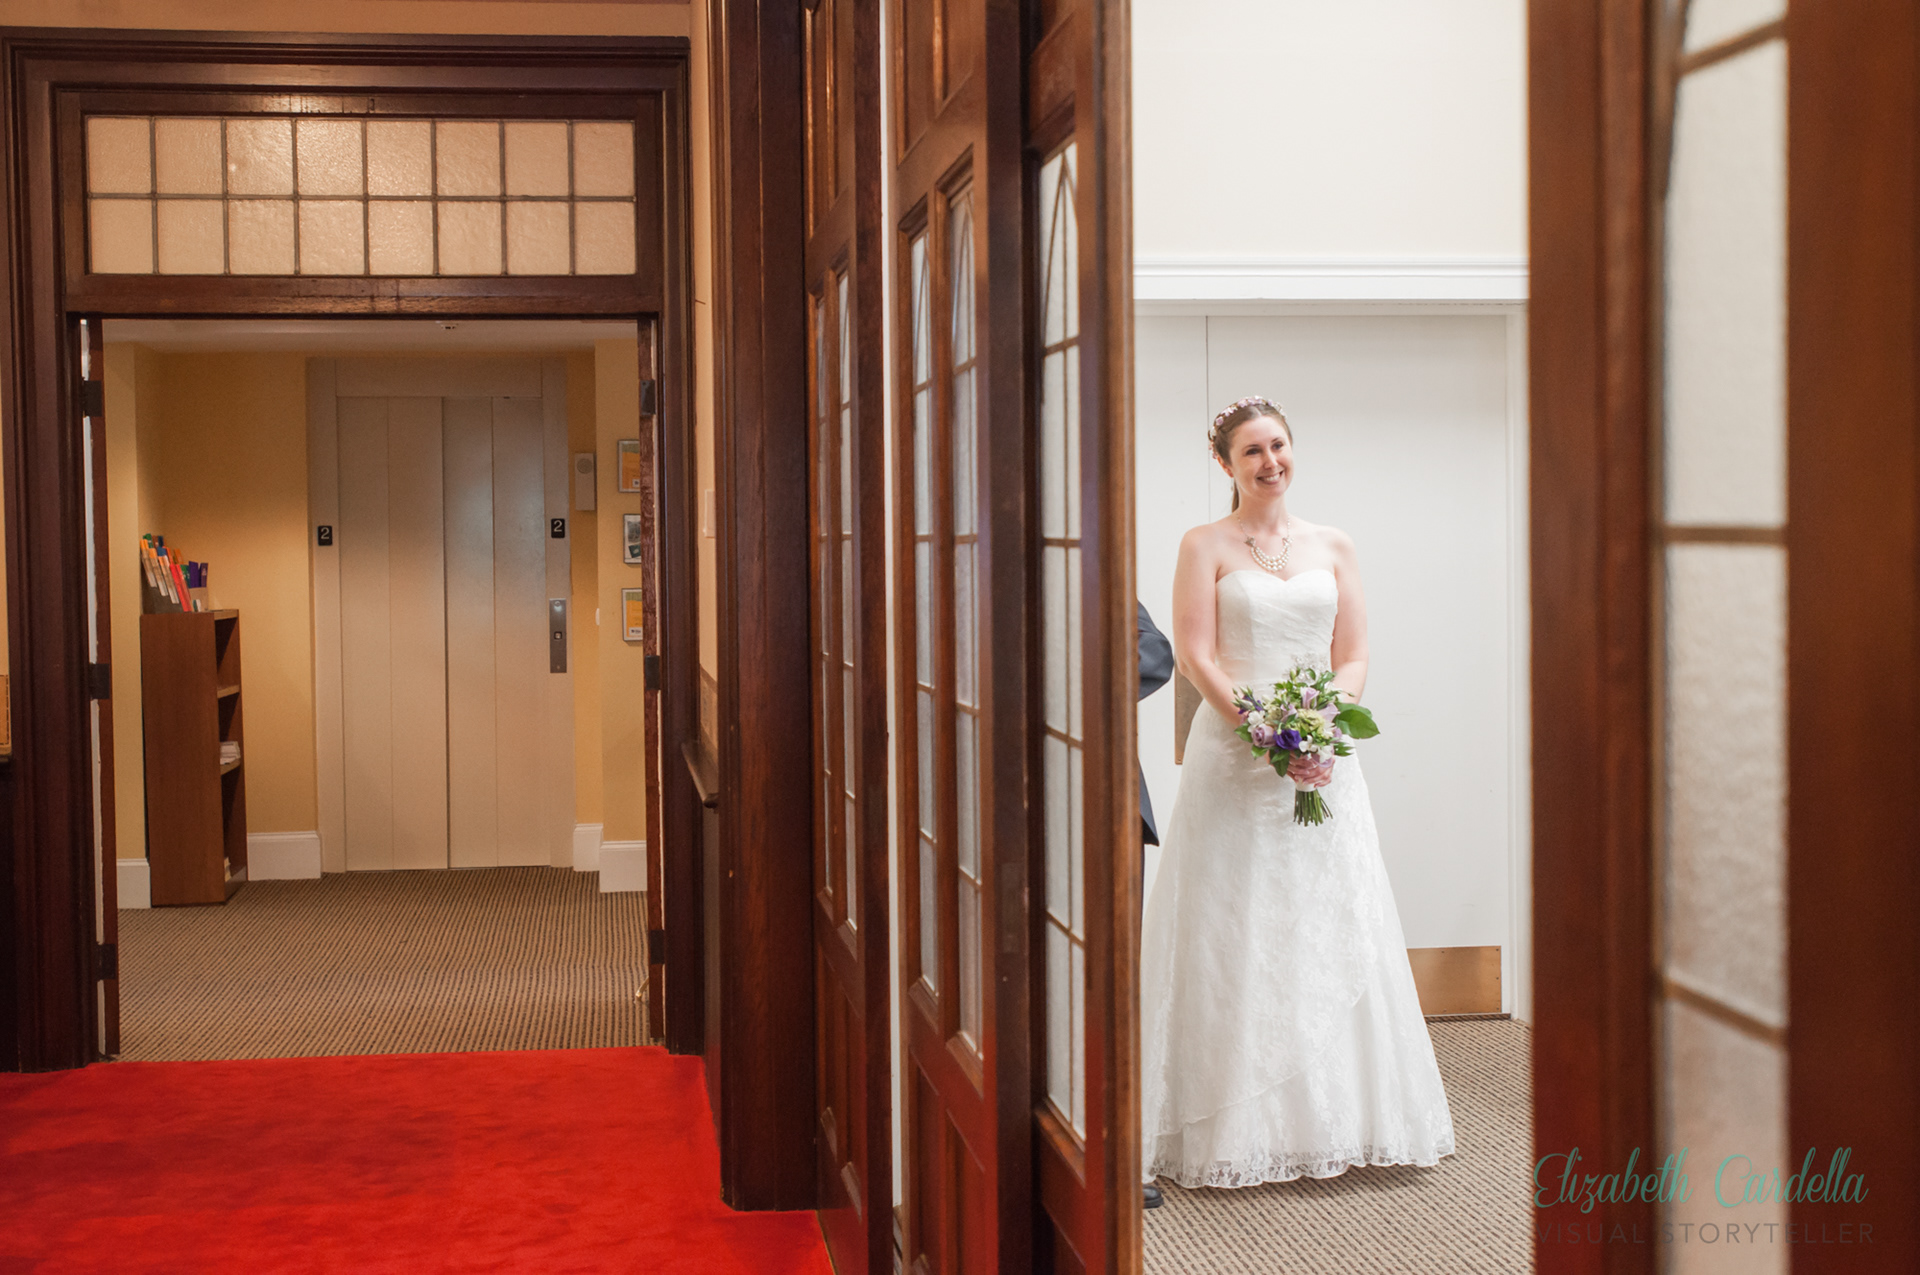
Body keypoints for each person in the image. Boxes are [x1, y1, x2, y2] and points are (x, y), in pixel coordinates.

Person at [1138, 396, 1455, 1190]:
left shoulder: (1333, 543)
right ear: (1225, 464)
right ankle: (1228, 1118)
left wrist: (1318, 728)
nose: (1269, 461)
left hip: (1322, 755)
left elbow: (1354, 653)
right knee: (1233, 916)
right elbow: (1196, 653)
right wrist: (1263, 728)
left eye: (1278, 444)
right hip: (1232, 754)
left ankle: (1341, 1119)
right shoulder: (1203, 543)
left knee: (1327, 911)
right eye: (1251, 450)